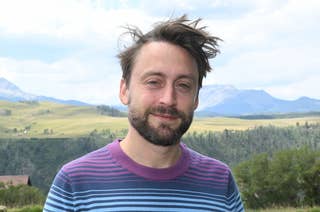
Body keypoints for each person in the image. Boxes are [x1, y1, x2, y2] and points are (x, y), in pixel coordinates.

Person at [44, 15, 244, 211]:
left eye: (183, 85)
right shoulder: (74, 183)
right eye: (154, 82)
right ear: (124, 91)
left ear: (196, 99)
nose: (168, 98)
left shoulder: (220, 182)